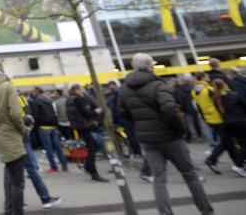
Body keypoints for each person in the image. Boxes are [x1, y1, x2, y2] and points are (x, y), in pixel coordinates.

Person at [118, 53, 213, 215]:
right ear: (151, 66)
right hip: (170, 136)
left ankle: (165, 213)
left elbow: (122, 112)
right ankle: (206, 210)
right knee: (190, 175)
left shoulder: (125, 89)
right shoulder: (158, 85)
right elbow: (170, 109)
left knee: (159, 179)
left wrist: (139, 124)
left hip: (147, 138)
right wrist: (180, 130)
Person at [0, 61, 60, 214]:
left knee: (10, 174)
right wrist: (22, 129)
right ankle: (17, 210)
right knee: (18, 181)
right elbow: (16, 114)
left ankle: (9, 210)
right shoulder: (8, 87)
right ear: (2, 71)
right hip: (12, 135)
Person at [192, 73, 241, 175]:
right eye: (207, 77)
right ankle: (212, 159)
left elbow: (199, 105)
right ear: (203, 78)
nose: (208, 78)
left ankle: (238, 163)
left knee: (228, 142)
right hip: (219, 118)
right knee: (227, 141)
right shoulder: (209, 89)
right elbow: (220, 100)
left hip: (209, 118)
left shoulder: (195, 90)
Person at [66, 84, 109, 182]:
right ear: (77, 90)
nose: (83, 90)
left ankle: (88, 166)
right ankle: (93, 172)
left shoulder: (70, 99)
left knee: (93, 146)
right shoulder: (78, 99)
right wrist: (95, 111)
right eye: (82, 89)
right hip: (84, 125)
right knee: (92, 148)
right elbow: (85, 112)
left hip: (79, 125)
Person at [30, 86, 68, 172]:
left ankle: (53, 167)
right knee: (58, 147)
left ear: (36, 92)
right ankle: (64, 165)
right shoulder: (49, 100)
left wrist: (36, 125)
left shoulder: (36, 101)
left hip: (43, 127)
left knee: (48, 148)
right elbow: (54, 113)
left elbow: (35, 115)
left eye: (33, 92)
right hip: (53, 126)